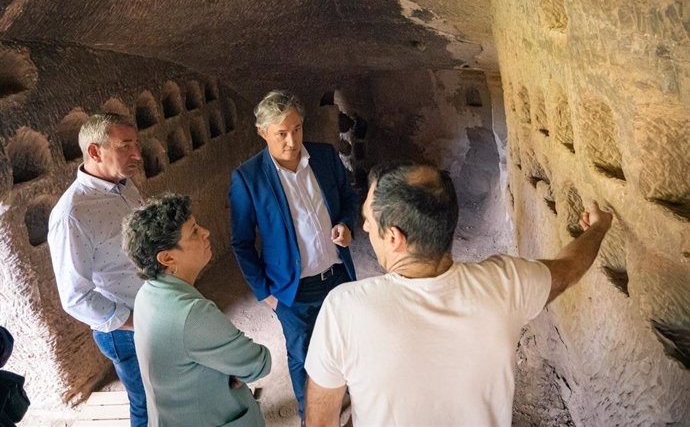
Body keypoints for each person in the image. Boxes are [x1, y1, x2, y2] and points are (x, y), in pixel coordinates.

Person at [305, 162, 613, 427]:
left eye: (369, 222)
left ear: (394, 238)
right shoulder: (506, 285)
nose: (366, 229)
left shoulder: (344, 309)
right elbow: (568, 270)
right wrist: (598, 229)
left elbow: (321, 422)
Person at [229, 89, 359, 418]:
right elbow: (241, 243)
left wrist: (345, 224)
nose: (292, 141)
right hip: (292, 290)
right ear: (263, 133)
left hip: (338, 277)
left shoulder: (325, 157)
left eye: (297, 129)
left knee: (346, 346)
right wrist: (266, 293)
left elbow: (347, 197)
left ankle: (348, 406)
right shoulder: (248, 178)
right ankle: (311, 418)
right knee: (304, 357)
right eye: (281, 134)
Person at [123, 194, 271, 427]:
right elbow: (258, 363)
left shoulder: (147, 294)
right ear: (168, 257)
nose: (206, 233)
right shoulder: (192, 314)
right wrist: (230, 368)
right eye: (193, 231)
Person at [47, 113, 147, 427]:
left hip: (151, 311)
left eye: (136, 144)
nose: (138, 154)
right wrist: (134, 322)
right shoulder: (72, 214)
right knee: (146, 405)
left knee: (168, 394)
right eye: (126, 146)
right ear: (95, 151)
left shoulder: (125, 186)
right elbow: (75, 296)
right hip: (126, 328)